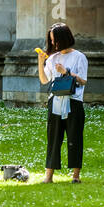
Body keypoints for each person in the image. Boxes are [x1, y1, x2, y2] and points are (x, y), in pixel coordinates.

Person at [35, 22, 88, 183]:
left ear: (64, 38)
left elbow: (83, 81)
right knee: (53, 138)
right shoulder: (52, 58)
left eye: (55, 40)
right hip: (55, 101)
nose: (53, 43)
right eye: (51, 40)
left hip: (74, 102)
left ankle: (75, 176)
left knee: (74, 138)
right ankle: (49, 176)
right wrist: (41, 61)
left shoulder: (79, 57)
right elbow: (44, 80)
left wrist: (67, 72)